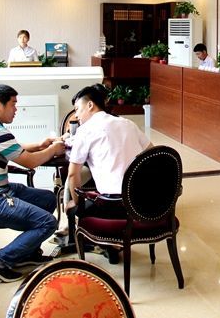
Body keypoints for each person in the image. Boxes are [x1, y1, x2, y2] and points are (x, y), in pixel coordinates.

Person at [0, 84, 66, 282]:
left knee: (48, 199)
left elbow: (12, 148)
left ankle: (27, 253)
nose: (16, 109)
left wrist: (40, 145)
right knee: (48, 223)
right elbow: (30, 162)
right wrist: (53, 150)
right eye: (13, 104)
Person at [64, 85, 153, 263]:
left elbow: (73, 175)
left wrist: (76, 202)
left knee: (71, 207)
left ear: (90, 105)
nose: (76, 116)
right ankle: (113, 244)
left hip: (112, 204)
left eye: (78, 109)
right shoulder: (127, 123)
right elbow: (152, 152)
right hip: (141, 201)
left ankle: (106, 243)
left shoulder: (85, 130)